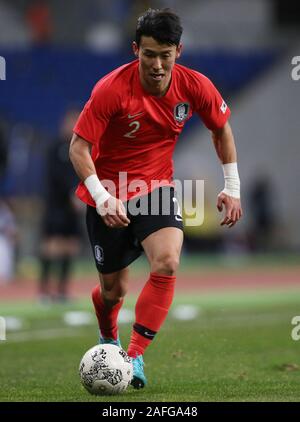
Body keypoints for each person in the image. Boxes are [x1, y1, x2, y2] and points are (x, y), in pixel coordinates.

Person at [69, 8, 243, 389]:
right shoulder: (111, 89)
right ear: (136, 50)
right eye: (150, 55)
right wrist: (101, 197)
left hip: (155, 188)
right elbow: (79, 148)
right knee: (114, 291)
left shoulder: (195, 86)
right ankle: (108, 338)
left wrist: (232, 187)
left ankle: (132, 357)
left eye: (166, 54)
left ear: (178, 51)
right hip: (109, 193)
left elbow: (221, 129)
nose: (158, 64)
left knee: (166, 262)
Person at [39, 109, 82, 302]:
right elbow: (55, 176)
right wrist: (71, 193)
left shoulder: (81, 147)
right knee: (52, 245)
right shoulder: (55, 147)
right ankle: (44, 291)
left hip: (73, 207)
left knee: (70, 246)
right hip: (56, 205)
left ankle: (62, 290)